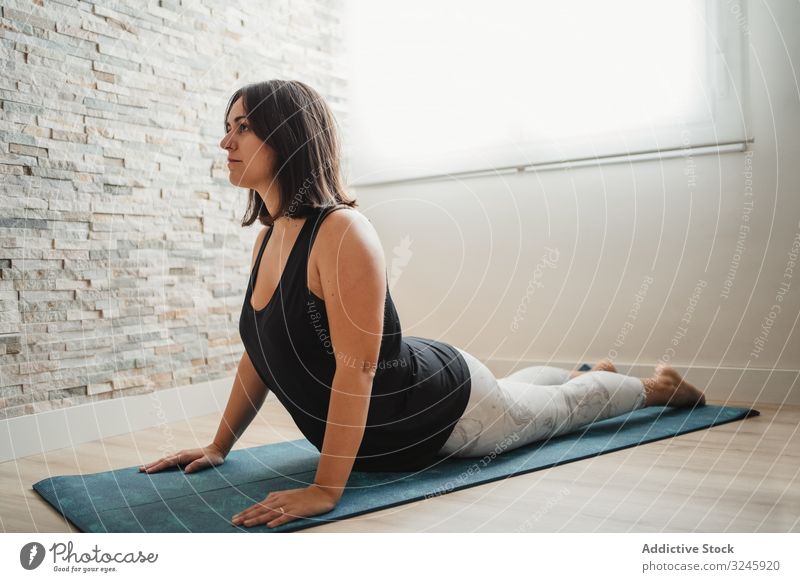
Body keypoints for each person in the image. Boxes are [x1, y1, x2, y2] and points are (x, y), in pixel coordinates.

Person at [138, 80, 706, 530]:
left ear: (286, 137)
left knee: (560, 413)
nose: (225, 143)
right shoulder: (269, 237)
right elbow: (260, 352)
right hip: (406, 407)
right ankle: (581, 375)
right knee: (527, 396)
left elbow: (356, 369)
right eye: (226, 128)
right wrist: (219, 445)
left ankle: (654, 389)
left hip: (444, 417)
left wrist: (326, 489)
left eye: (241, 128)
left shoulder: (341, 232)